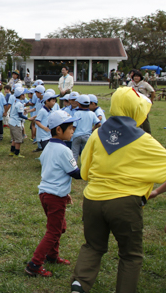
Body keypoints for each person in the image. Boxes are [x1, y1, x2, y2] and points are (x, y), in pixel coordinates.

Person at [70, 87, 166, 293]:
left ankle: (80, 284)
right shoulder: (144, 140)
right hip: (126, 203)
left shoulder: (97, 135)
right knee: (130, 254)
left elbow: (84, 172)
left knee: (93, 246)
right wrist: (155, 190)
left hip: (93, 200)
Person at [25, 110, 82, 277]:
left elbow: (53, 172)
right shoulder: (64, 151)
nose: (73, 131)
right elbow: (76, 174)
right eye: (71, 128)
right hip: (54, 196)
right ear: (59, 130)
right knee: (54, 231)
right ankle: (35, 264)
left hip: (46, 193)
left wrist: (65, 193)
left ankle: (52, 255)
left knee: (58, 227)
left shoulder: (48, 147)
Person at [71, 95, 100, 163]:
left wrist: (71, 134)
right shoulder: (92, 113)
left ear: (79, 104)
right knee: (86, 153)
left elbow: (74, 126)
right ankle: (85, 166)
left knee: (74, 153)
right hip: (87, 136)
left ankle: (73, 167)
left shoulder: (77, 113)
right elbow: (99, 124)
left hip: (77, 136)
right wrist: (93, 129)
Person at [128, 69, 155, 134]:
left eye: (138, 76)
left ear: (140, 77)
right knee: (134, 118)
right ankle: (137, 133)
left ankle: (148, 133)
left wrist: (151, 101)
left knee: (144, 119)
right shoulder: (131, 83)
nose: (136, 78)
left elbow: (152, 91)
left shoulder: (144, 84)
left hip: (143, 104)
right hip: (133, 103)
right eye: (135, 76)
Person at [8, 87, 29, 158]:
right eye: (24, 94)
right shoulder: (19, 104)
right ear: (21, 95)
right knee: (18, 140)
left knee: (14, 138)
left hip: (11, 122)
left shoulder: (15, 101)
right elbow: (20, 115)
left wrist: (25, 109)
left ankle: (12, 151)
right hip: (16, 123)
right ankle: (17, 153)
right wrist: (28, 118)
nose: (25, 95)